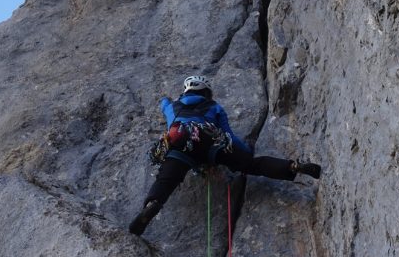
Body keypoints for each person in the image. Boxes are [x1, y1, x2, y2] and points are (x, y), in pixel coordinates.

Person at [129, 74, 321, 235]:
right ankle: (292, 166)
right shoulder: (214, 107)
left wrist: (164, 100)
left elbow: (163, 103)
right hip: (210, 144)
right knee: (252, 165)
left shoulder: (172, 106)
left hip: (180, 144)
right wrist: (244, 153)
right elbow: (228, 135)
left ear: (186, 91)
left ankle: (152, 205)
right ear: (206, 92)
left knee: (165, 181)